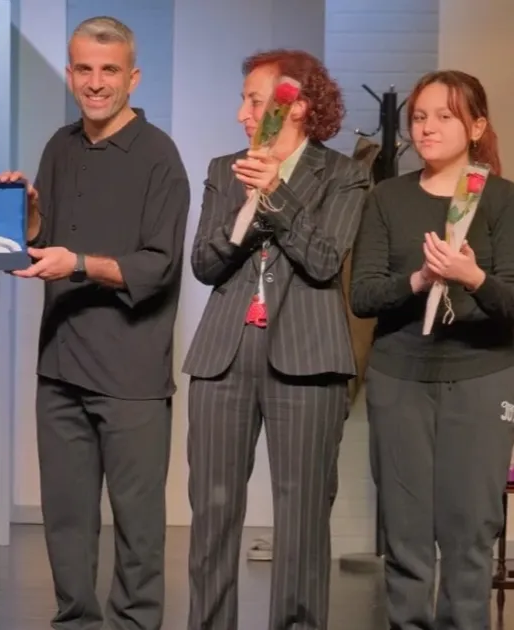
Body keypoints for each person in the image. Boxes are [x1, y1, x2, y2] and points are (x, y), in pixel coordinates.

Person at [0, 16, 189, 630]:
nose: (95, 82)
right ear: (71, 73)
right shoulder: (59, 146)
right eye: (84, 69)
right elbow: (41, 243)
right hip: (60, 369)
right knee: (67, 523)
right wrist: (25, 215)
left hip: (133, 375)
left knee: (138, 528)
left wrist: (79, 264)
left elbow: (159, 265)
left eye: (109, 70)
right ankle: (75, 621)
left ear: (133, 77)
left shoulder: (159, 156)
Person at [181, 49, 369, 630]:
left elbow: (324, 260)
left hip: (308, 357)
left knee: (302, 515)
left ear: (296, 106)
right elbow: (204, 264)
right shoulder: (224, 169)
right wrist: (248, 206)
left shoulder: (343, 174)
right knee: (212, 512)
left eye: (254, 101)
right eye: (244, 100)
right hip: (224, 355)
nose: (242, 113)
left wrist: (277, 195)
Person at [350, 70, 514, 629]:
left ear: (477, 127)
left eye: (444, 116)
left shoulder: (502, 199)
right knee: (406, 532)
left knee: (470, 533)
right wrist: (420, 279)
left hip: (481, 377)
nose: (427, 127)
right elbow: (363, 295)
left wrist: (472, 277)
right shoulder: (386, 198)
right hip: (400, 378)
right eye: (419, 117)